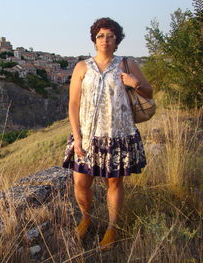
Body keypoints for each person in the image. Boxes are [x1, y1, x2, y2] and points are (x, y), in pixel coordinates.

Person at [62, 17, 153, 249]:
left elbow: (149, 92)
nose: (105, 40)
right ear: (94, 39)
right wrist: (77, 137)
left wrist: (135, 83)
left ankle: (112, 228)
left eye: (111, 36)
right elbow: (73, 104)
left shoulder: (127, 64)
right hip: (87, 136)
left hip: (117, 135)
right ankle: (86, 218)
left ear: (117, 41)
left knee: (114, 182)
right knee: (81, 182)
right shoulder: (82, 67)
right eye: (101, 35)